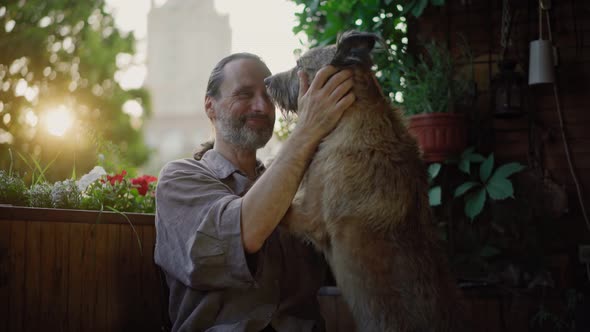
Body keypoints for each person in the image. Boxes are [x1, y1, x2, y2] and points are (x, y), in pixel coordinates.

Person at [154, 52, 355, 332]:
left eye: (268, 96)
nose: (261, 106)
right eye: (244, 94)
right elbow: (244, 231)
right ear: (210, 107)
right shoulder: (180, 178)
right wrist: (309, 128)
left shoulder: (299, 183)